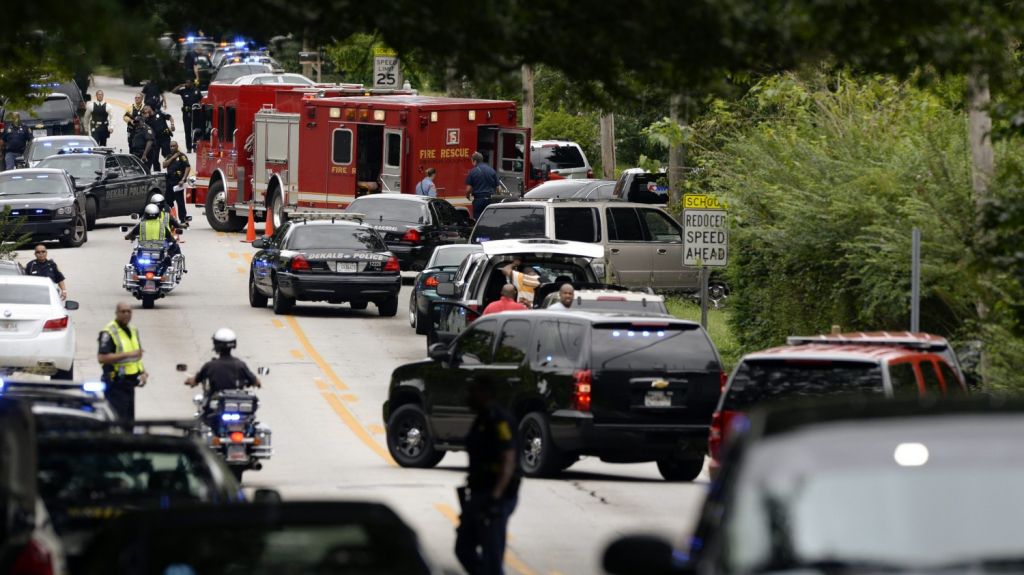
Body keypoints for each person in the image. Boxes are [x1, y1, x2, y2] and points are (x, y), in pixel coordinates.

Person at [455, 374, 521, 575]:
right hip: (478, 492)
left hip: (494, 496)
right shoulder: (482, 418)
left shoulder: (499, 420)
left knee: (492, 555)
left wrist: (495, 497)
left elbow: (508, 459)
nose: (469, 396)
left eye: (473, 391)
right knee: (463, 548)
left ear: (485, 393)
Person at [184, 328, 261, 424]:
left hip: (216, 403)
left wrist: (190, 381)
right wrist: (255, 382)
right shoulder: (240, 364)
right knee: (250, 419)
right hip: (237, 404)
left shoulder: (210, 365)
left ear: (216, 345)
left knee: (202, 418)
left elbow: (195, 380)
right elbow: (255, 381)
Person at [97, 302, 148, 420]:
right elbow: (102, 358)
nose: (126, 314)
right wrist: (128, 354)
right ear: (116, 313)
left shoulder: (133, 330)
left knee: (129, 422)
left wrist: (143, 372)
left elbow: (137, 355)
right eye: (123, 311)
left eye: (129, 311)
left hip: (130, 384)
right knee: (117, 422)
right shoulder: (109, 332)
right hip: (115, 384)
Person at [162, 141, 191, 218]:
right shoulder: (169, 156)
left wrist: (183, 179)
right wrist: (173, 157)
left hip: (178, 182)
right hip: (169, 182)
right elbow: (164, 165)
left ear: (177, 146)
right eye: (171, 146)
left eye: (174, 146)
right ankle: (170, 217)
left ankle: (182, 219)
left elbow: (187, 167)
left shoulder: (182, 156)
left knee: (180, 202)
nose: (172, 148)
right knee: (167, 201)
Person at [465, 151, 498, 219]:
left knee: (478, 220)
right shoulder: (491, 170)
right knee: (489, 219)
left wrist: (468, 196)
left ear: (474, 161)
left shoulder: (473, 172)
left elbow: (468, 189)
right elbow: (498, 188)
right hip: (490, 200)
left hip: (478, 200)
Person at [172, 80, 202, 153]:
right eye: (186, 82)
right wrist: (180, 85)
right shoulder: (183, 91)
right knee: (187, 130)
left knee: (196, 130)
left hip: (196, 112)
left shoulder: (196, 91)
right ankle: (188, 147)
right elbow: (173, 91)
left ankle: (195, 146)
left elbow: (201, 100)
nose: (187, 84)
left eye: (188, 82)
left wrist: (200, 107)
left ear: (192, 83)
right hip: (186, 113)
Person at [144, 106, 175, 172]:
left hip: (165, 137)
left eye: (146, 109)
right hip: (155, 140)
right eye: (144, 110)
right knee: (155, 158)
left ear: (150, 108)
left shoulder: (159, 113)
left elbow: (170, 117)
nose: (145, 111)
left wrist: (172, 124)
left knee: (167, 155)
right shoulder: (147, 119)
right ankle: (157, 173)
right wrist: (145, 118)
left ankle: (171, 171)